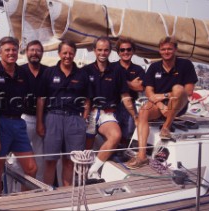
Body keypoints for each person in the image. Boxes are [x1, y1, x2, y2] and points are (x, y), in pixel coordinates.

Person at [126, 36, 198, 169]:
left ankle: (166, 126)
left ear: (175, 49)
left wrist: (165, 95)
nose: (166, 52)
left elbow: (188, 91)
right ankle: (142, 156)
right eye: (163, 49)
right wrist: (160, 104)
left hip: (178, 105)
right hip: (158, 106)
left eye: (169, 49)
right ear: (159, 51)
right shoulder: (154, 67)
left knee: (178, 89)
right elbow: (148, 92)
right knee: (143, 111)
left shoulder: (185, 65)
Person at [0, 36, 37, 196]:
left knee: (32, 168)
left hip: (19, 124)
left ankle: (22, 203)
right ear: (0, 53)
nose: (11, 53)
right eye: (7, 50)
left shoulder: (23, 73)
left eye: (14, 50)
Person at [36, 39, 91, 186]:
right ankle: (48, 195)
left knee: (69, 161)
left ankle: (66, 196)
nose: (67, 56)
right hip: (53, 118)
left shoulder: (82, 75)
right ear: (59, 53)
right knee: (50, 160)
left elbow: (87, 100)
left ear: (75, 54)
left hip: (74, 119)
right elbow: (41, 99)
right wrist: (40, 122)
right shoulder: (49, 72)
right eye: (65, 53)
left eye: (71, 53)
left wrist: (83, 120)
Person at [83, 36, 137, 180]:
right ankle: (82, 174)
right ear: (94, 51)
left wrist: (135, 116)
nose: (102, 53)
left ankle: (93, 171)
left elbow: (125, 96)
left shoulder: (117, 70)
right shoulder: (86, 70)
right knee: (86, 146)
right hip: (89, 114)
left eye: (106, 50)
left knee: (116, 136)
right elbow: (83, 97)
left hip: (108, 114)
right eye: (99, 50)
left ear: (110, 51)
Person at [21, 40, 48, 182]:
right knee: (21, 156)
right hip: (23, 118)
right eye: (32, 50)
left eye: (38, 50)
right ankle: (17, 191)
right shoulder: (19, 72)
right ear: (26, 52)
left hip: (43, 120)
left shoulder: (48, 72)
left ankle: (38, 187)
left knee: (40, 157)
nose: (34, 53)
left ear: (42, 53)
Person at [113, 37, 145, 147]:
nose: (125, 52)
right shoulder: (112, 67)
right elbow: (109, 86)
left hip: (131, 106)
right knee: (114, 136)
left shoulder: (138, 69)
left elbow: (141, 87)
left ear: (133, 51)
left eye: (128, 49)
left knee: (128, 135)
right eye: (122, 50)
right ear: (118, 52)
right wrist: (132, 84)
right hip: (114, 105)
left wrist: (120, 82)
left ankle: (124, 156)